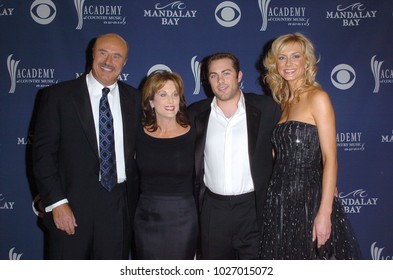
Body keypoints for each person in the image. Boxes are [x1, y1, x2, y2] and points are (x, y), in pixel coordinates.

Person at [32, 33, 141, 259]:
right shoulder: (58, 96)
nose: (108, 61)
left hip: (118, 207)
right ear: (92, 54)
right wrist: (56, 203)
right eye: (103, 53)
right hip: (70, 205)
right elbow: (43, 155)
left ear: (125, 62)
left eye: (116, 56)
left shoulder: (136, 99)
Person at [260, 33, 361, 259]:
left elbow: (330, 158)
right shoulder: (283, 102)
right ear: (275, 63)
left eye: (296, 56)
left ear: (307, 61)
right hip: (280, 198)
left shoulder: (318, 97)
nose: (288, 63)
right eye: (282, 57)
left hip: (309, 199)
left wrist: (325, 211)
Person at [187, 52, 281, 259]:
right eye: (213, 75)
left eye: (226, 73)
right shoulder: (195, 114)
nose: (220, 81)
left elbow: (292, 144)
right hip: (213, 210)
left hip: (254, 210)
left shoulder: (266, 109)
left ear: (239, 76)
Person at [134, 70, 198, 260]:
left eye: (175, 94)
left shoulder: (194, 134)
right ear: (151, 101)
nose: (171, 100)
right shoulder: (137, 134)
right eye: (163, 94)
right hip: (146, 216)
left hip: (183, 216)